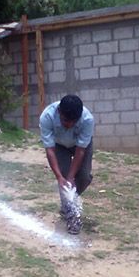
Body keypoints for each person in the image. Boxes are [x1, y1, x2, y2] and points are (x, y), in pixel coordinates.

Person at [39, 95, 95, 235]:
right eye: (65, 121)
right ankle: (72, 215)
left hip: (80, 146)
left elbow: (80, 151)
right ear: (59, 112)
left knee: (83, 177)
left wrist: (71, 177)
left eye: (73, 122)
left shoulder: (87, 119)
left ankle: (69, 202)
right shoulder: (47, 117)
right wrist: (60, 177)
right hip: (59, 146)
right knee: (64, 176)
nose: (69, 125)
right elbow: (50, 150)